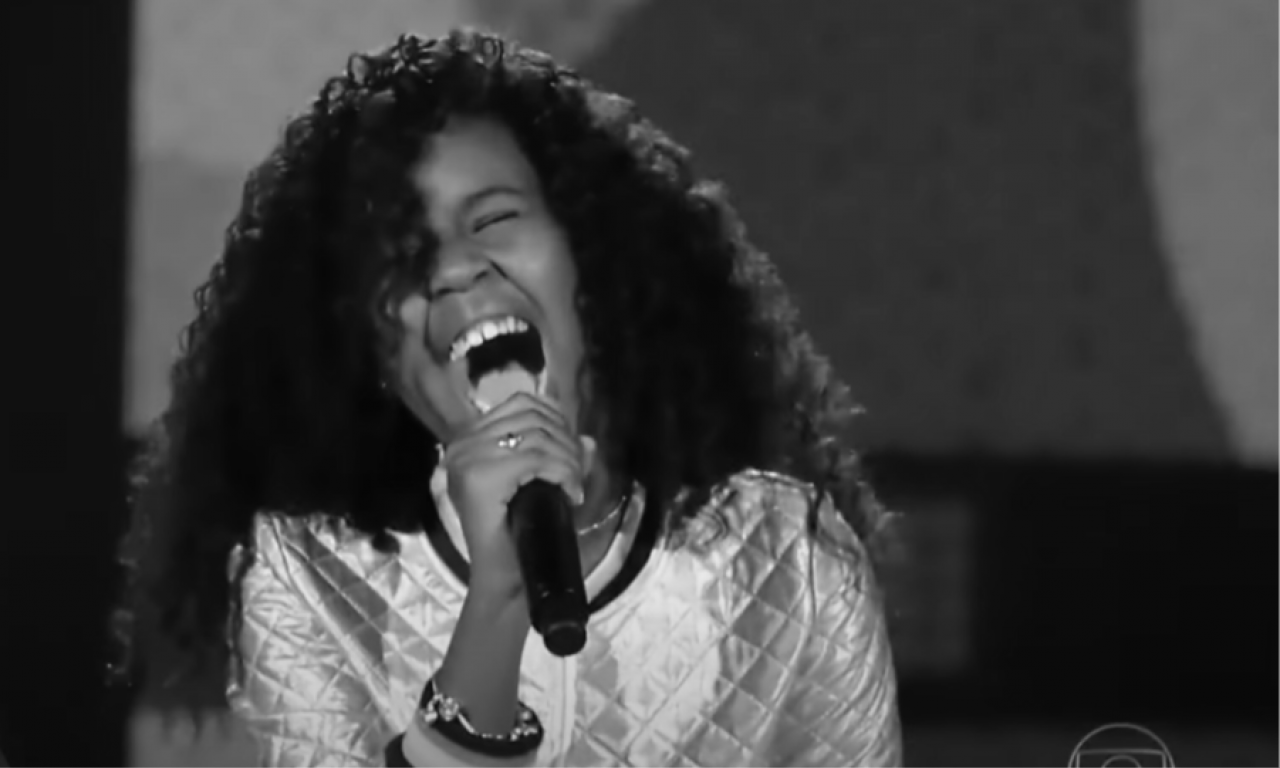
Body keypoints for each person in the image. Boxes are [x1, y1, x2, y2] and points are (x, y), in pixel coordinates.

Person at [113, 28, 902, 768]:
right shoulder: (305, 575)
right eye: (400, 253)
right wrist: (496, 605)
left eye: (492, 218)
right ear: (372, 354)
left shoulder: (787, 554)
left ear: (592, 259)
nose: (454, 268)